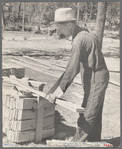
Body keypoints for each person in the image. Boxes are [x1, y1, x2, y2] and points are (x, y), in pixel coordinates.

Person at [46, 8, 109, 142]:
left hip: (96, 78)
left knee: (88, 114)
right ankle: (93, 142)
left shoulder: (79, 40)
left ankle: (76, 144)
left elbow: (72, 68)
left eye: (60, 27)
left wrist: (59, 91)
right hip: (95, 76)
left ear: (69, 24)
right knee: (95, 113)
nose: (58, 31)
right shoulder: (83, 33)